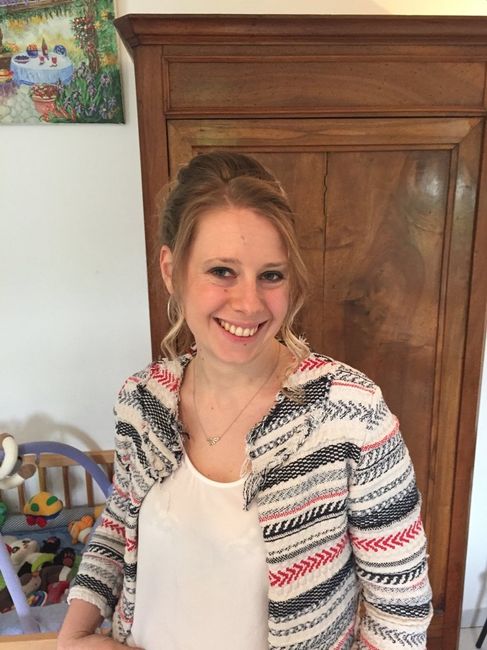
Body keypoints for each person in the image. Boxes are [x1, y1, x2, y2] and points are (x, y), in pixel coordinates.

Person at [58, 151, 432, 650]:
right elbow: (116, 528)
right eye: (222, 271)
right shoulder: (142, 401)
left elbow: (399, 611)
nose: (250, 304)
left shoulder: (351, 417)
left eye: (271, 275)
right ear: (171, 270)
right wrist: (73, 634)